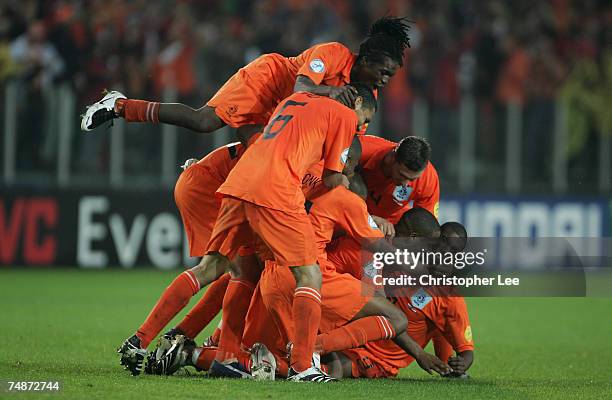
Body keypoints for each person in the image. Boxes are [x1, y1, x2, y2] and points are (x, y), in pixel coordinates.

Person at [196, 84, 377, 382]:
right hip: (276, 192)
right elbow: (334, 178)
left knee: (217, 268)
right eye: (364, 119)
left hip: (241, 184)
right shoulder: (344, 119)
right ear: (355, 101)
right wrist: (347, 187)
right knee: (311, 275)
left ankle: (151, 340)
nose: (361, 126)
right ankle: (303, 365)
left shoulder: (294, 100)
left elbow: (253, 134)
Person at [80, 17, 410, 144]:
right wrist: (334, 93)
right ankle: (120, 105)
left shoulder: (368, 98)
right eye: (382, 71)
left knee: (261, 151)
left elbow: (347, 138)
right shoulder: (334, 54)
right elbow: (302, 90)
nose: (384, 79)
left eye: (390, 76)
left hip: (283, 116)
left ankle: (201, 177)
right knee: (204, 122)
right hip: (268, 81)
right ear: (364, 60)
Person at [358, 135, 440, 238]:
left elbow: (426, 229)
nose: (405, 184)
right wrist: (368, 219)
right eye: (402, 175)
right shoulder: (360, 149)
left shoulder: (428, 178)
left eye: (412, 179)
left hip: (391, 229)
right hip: (352, 217)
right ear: (392, 157)